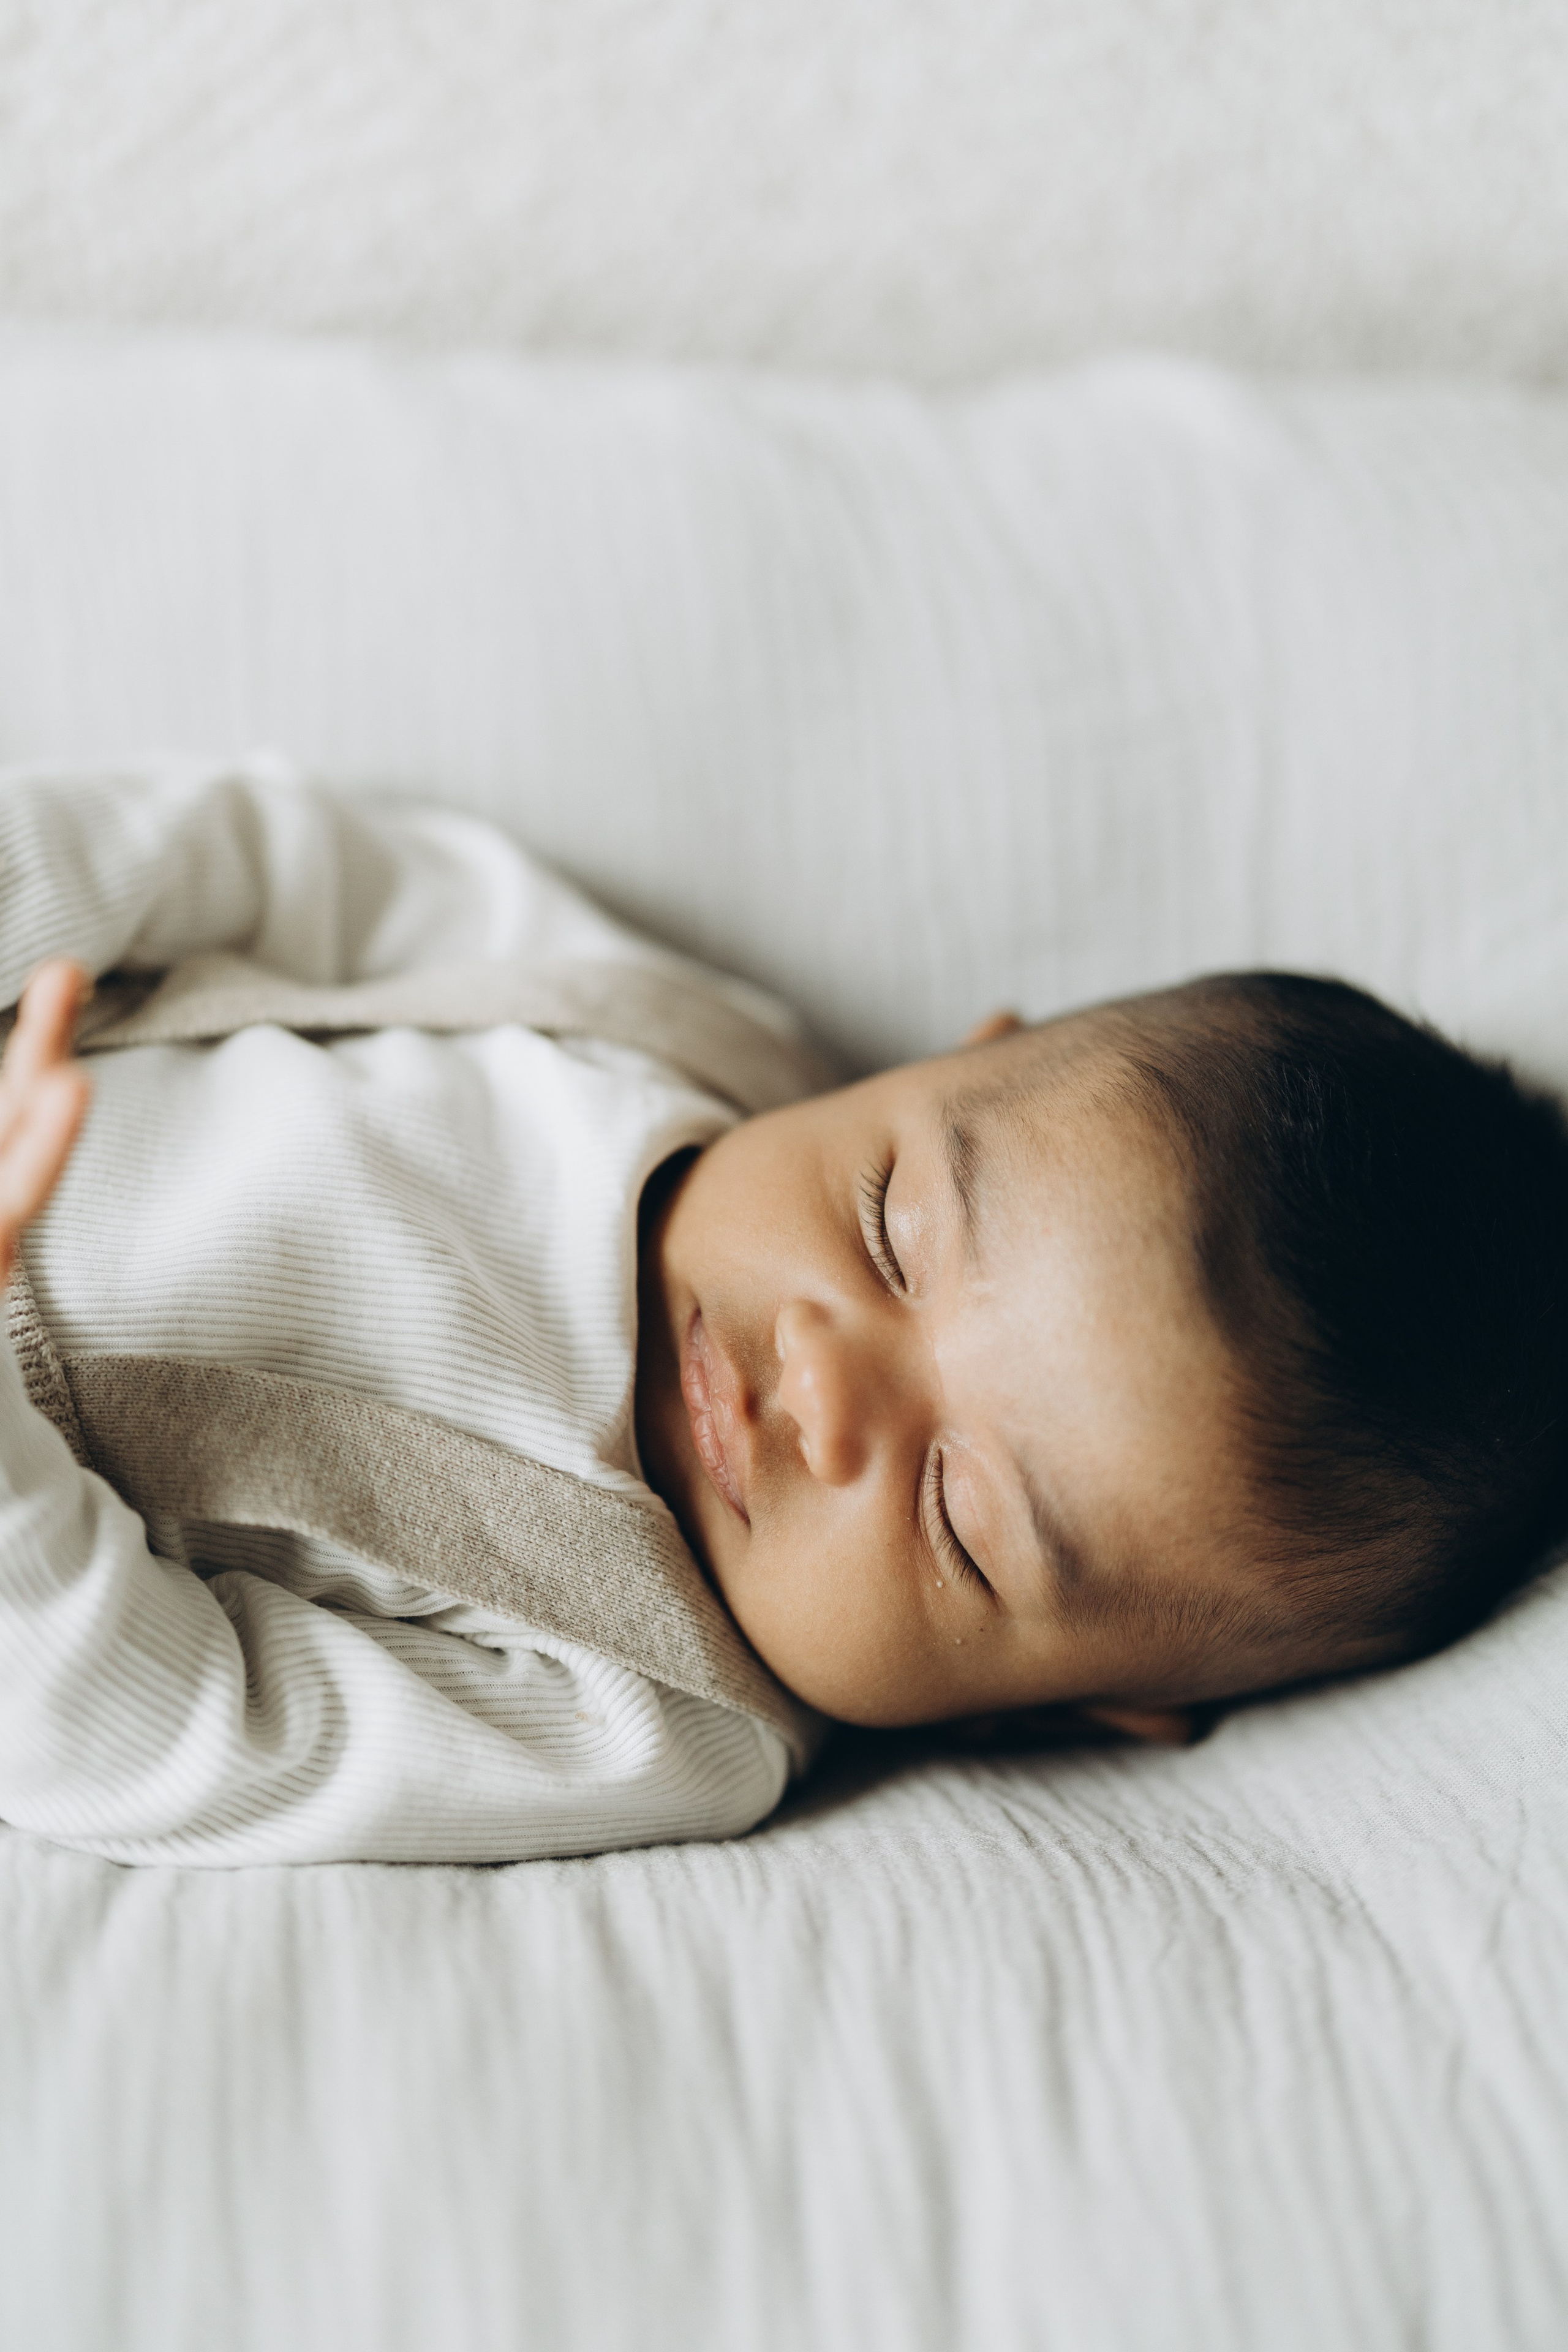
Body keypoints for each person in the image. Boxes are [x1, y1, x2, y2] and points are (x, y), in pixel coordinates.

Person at [0, 764, 1565, 1866]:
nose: (820, 1389)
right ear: (949, 1060)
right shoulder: (658, 1023)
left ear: (1092, 1706)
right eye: (891, 1230)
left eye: (960, 1515)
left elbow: (179, 1730)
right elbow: (282, 865)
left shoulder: (644, 1709)